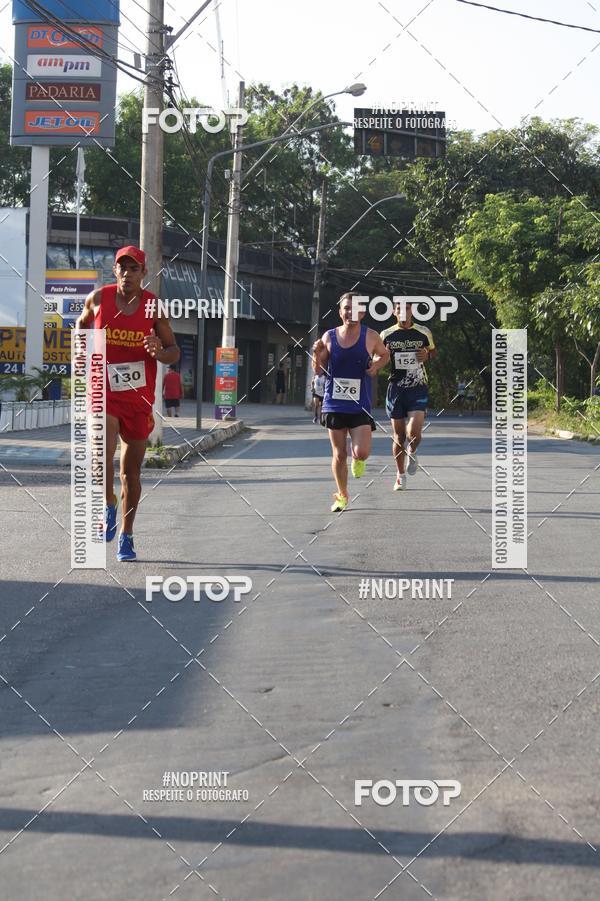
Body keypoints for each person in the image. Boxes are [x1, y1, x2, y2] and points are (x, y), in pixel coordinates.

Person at [76, 245, 180, 561]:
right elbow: (80, 328)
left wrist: (158, 350)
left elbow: (174, 351)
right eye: (122, 267)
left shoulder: (153, 307)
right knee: (99, 457)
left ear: (143, 274)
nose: (127, 273)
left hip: (137, 397)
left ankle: (127, 534)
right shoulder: (98, 299)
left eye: (134, 268)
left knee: (130, 473)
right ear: (115, 271)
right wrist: (82, 354)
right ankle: (108, 502)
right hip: (103, 391)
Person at [313, 292, 389, 512]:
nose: (350, 312)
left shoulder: (371, 336)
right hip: (333, 403)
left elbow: (384, 355)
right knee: (339, 454)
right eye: (346, 308)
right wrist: (317, 353)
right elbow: (318, 370)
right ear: (340, 312)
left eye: (355, 309)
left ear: (363, 313)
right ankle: (342, 495)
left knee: (362, 451)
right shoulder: (329, 337)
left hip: (359, 404)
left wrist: (376, 366)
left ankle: (359, 458)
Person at [381, 300, 436, 491]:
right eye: (399, 309)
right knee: (399, 435)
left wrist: (427, 356)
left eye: (406, 309)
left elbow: (433, 351)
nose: (403, 312)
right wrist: (383, 356)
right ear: (394, 313)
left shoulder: (423, 332)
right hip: (396, 388)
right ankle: (400, 475)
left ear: (411, 311)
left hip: (417, 386)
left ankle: (412, 451)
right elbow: (376, 357)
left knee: (413, 433)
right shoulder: (386, 334)